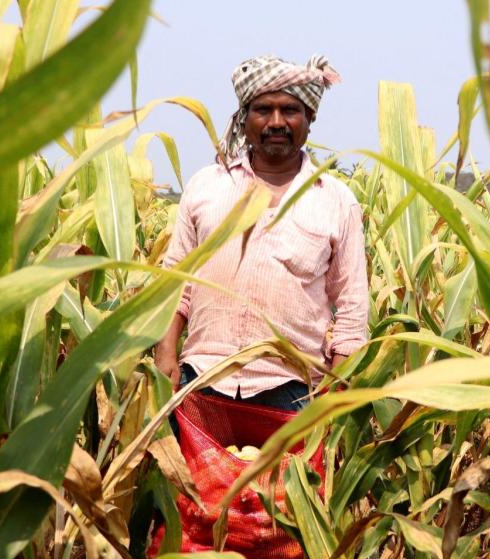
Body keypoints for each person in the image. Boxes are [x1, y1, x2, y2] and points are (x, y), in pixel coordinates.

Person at [154, 54, 369, 412]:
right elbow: (175, 283)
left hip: (294, 390)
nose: (276, 122)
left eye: (290, 110)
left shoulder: (336, 201)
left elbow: (352, 308)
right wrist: (165, 353)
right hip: (201, 378)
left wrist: (334, 392)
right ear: (244, 117)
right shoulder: (206, 187)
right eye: (263, 110)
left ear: (310, 117)